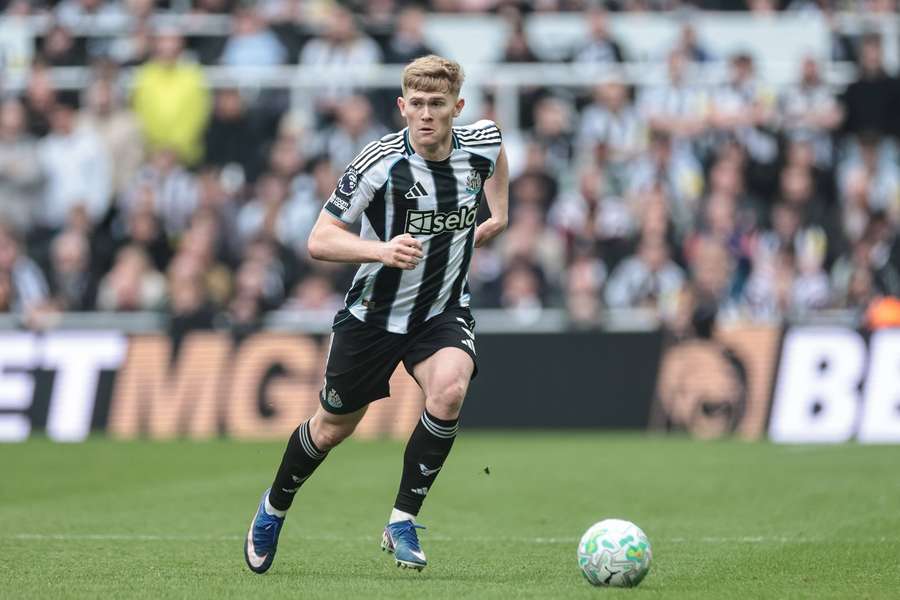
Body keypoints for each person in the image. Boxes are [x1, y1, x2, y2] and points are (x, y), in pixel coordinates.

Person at [244, 55, 509, 574]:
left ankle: (402, 521)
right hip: (373, 317)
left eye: (438, 104)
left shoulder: (480, 143)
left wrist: (500, 213)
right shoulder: (379, 162)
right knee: (331, 429)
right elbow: (319, 239)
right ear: (402, 106)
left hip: (441, 310)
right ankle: (273, 506)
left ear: (457, 108)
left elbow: (498, 151)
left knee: (450, 389)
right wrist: (381, 250)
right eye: (418, 104)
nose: (427, 114)